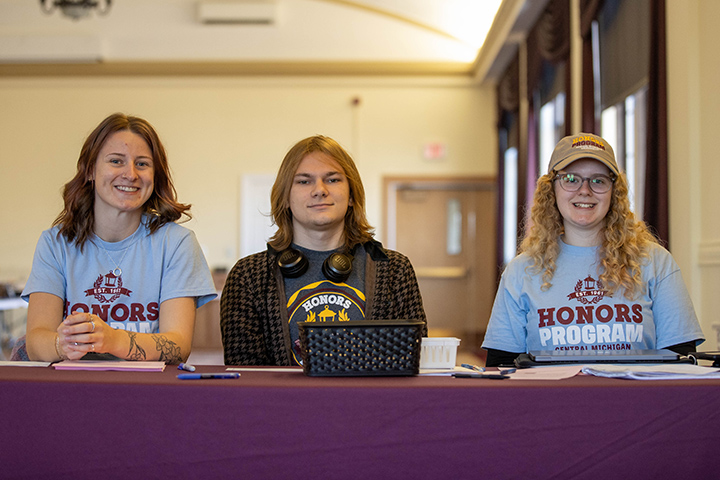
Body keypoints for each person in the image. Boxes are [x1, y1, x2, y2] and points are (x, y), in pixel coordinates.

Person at [482, 133, 704, 366]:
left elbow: (682, 364)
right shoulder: (521, 271)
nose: (585, 190)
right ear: (552, 189)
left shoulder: (655, 262)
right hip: (550, 402)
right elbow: (500, 370)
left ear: (614, 192)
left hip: (636, 401)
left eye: (598, 180)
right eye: (571, 178)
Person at [21, 113, 217, 363]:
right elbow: (37, 341)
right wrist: (62, 344)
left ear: (155, 176)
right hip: (73, 389)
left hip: (149, 393)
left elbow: (178, 346)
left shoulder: (177, 243)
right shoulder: (55, 243)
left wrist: (114, 340)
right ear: (90, 170)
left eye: (143, 164)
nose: (130, 174)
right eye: (116, 161)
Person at [221, 135, 427, 366]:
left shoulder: (394, 270)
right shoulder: (248, 276)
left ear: (351, 196)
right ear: (285, 198)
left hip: (368, 402)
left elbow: (413, 362)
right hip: (283, 403)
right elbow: (246, 378)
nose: (319, 190)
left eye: (332, 180)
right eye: (303, 181)